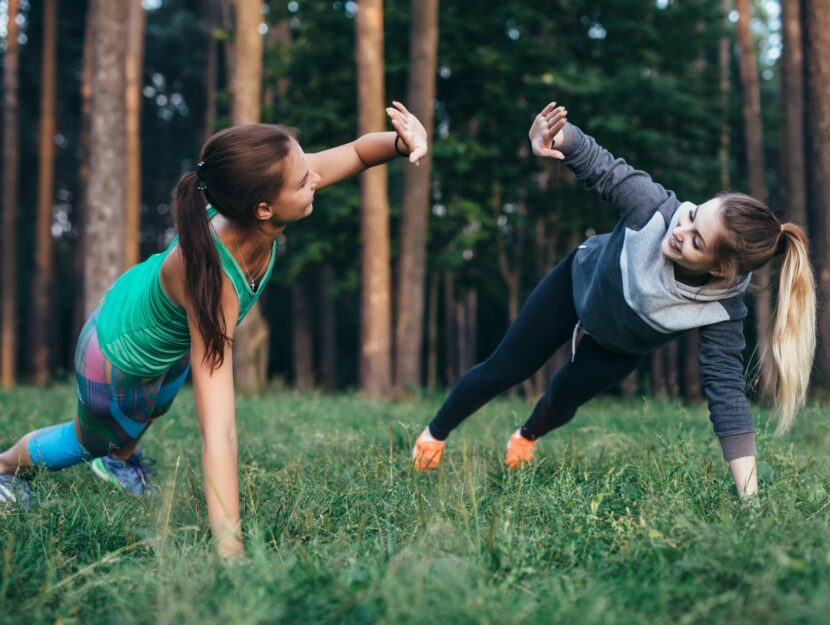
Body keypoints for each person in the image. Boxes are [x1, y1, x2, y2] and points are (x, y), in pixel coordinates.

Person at [0, 101, 428, 558]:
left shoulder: (264, 195)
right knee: (91, 440)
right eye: (304, 180)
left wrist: (405, 142)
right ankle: (7, 467)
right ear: (263, 209)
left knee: (153, 412)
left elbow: (360, 153)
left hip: (161, 334)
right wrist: (231, 551)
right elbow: (218, 430)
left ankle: (119, 462)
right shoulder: (214, 285)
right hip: (116, 356)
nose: (316, 177)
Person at [412, 102, 815, 498]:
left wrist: (750, 497)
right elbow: (601, 164)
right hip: (575, 286)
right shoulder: (653, 209)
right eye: (693, 215)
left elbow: (726, 392)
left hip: (620, 345)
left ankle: (524, 438)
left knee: (561, 400)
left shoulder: (722, 310)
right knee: (503, 368)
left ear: (719, 270)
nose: (681, 229)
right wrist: (557, 135)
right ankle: (434, 434)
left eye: (697, 240)